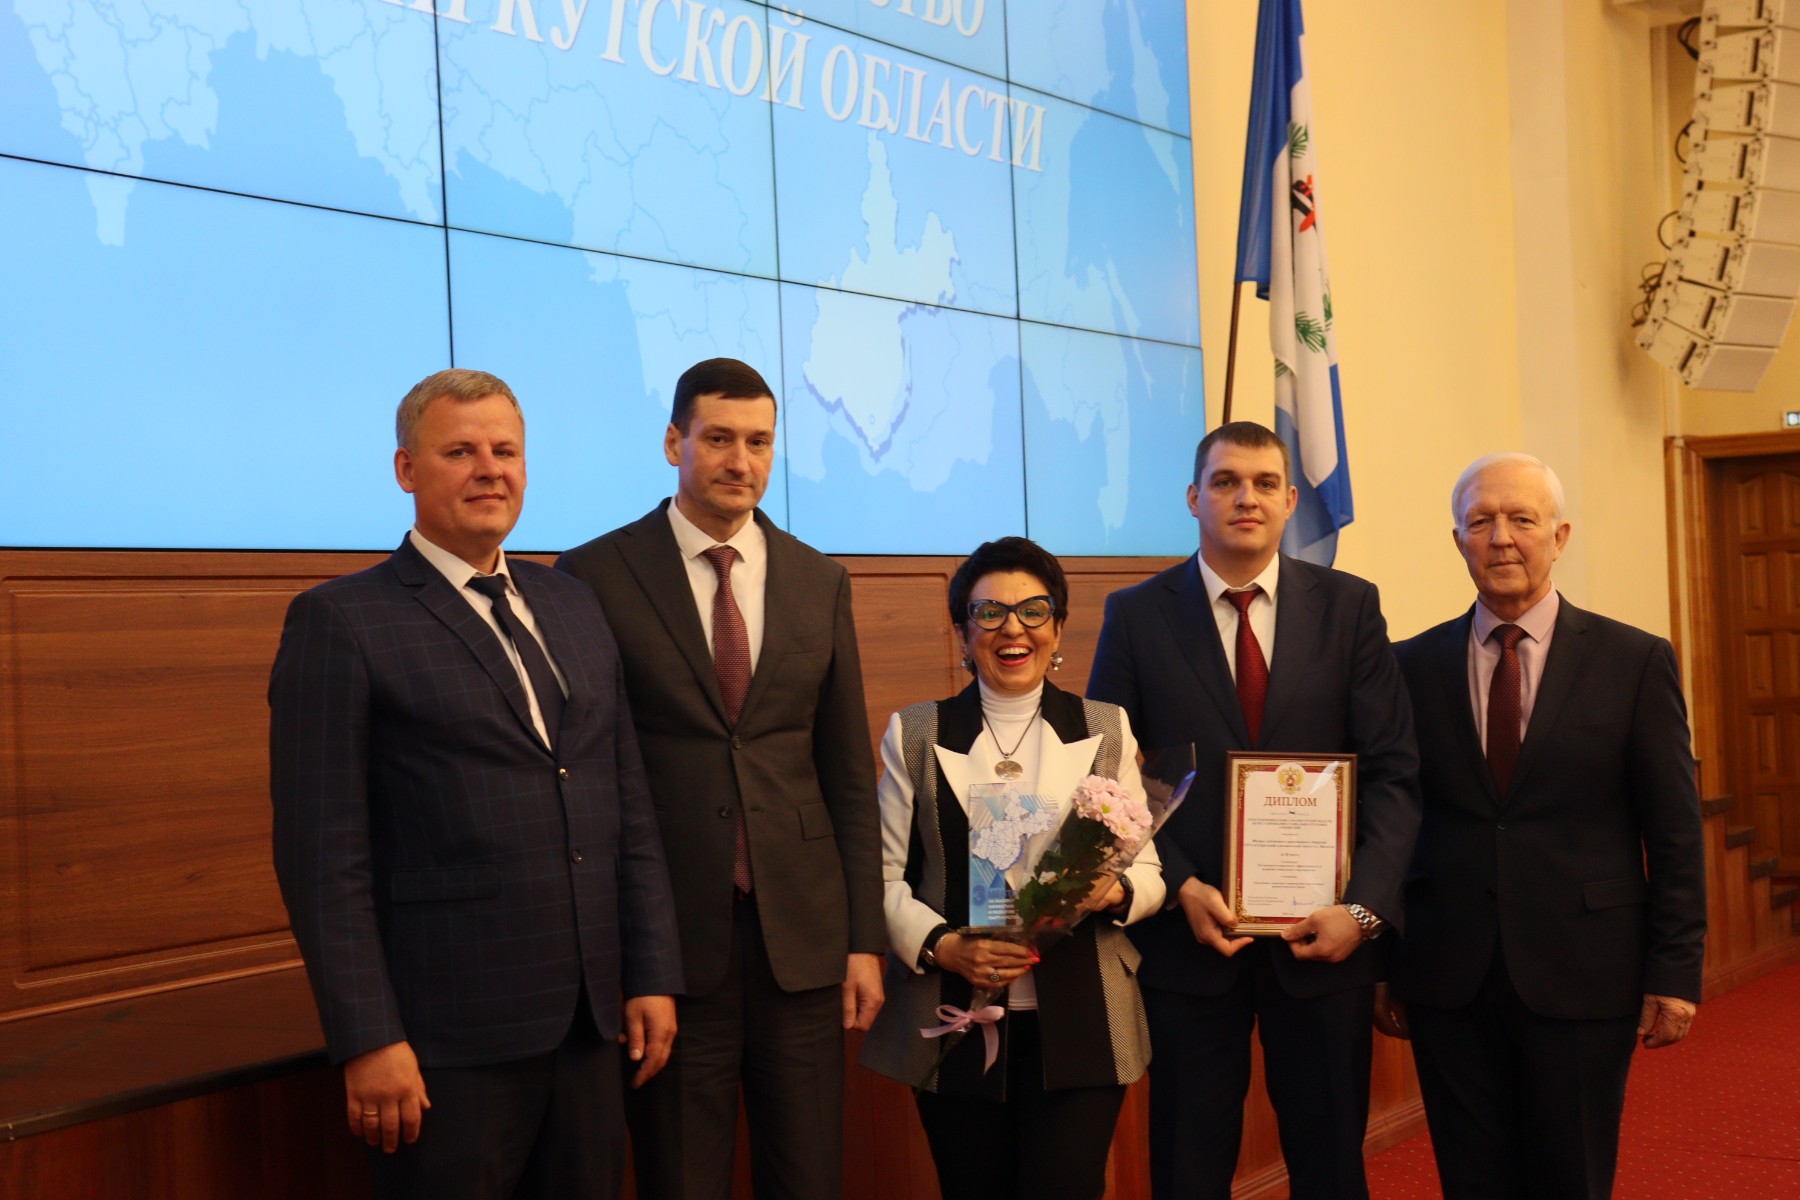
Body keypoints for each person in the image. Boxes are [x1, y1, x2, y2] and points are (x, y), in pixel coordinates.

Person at [269, 368, 683, 1200]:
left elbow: (627, 808)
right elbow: (323, 861)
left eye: (506, 451)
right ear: (406, 469)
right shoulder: (343, 620)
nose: (490, 470)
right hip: (442, 1047)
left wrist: (652, 971)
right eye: (460, 452)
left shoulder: (572, 602)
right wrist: (367, 1037)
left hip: (589, 1027)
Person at [556, 358, 884, 1200]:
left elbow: (848, 773)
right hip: (670, 948)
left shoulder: (818, 578)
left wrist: (862, 940)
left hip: (802, 946)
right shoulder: (595, 576)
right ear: (675, 443)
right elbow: (586, 779)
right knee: (682, 1178)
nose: (741, 461)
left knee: (807, 1179)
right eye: (719, 440)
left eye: (759, 442)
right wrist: (625, 957)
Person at [1086, 420, 1421, 1200]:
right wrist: (1180, 885)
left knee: (1331, 1162)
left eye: (1265, 483)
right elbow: (1110, 776)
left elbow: (1395, 774)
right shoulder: (1136, 614)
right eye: (1227, 482)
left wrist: (1363, 911)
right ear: (1193, 497)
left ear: (1290, 500)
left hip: (1326, 943)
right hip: (1190, 938)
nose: (1247, 498)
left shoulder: (1350, 607)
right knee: (1188, 1163)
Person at [1384, 452, 1705, 1199]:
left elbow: (1676, 831)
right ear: (1458, 541)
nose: (1501, 538)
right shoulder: (1409, 666)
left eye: (1522, 519)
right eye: (1481, 522)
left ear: (1559, 537)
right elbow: (1391, 819)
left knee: (1572, 1177)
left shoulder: (1634, 661)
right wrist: (1384, 965)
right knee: (1470, 1179)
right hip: (1446, 975)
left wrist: (1675, 971)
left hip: (1584, 972)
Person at [860, 537, 1167, 1200]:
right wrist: (943, 946)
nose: (1013, 629)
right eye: (989, 613)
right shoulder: (916, 733)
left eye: (1033, 610)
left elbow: (1150, 869)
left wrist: (1116, 892)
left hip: (1086, 1013)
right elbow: (879, 876)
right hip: (954, 1010)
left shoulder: (1106, 726)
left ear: (1057, 627)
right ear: (963, 633)